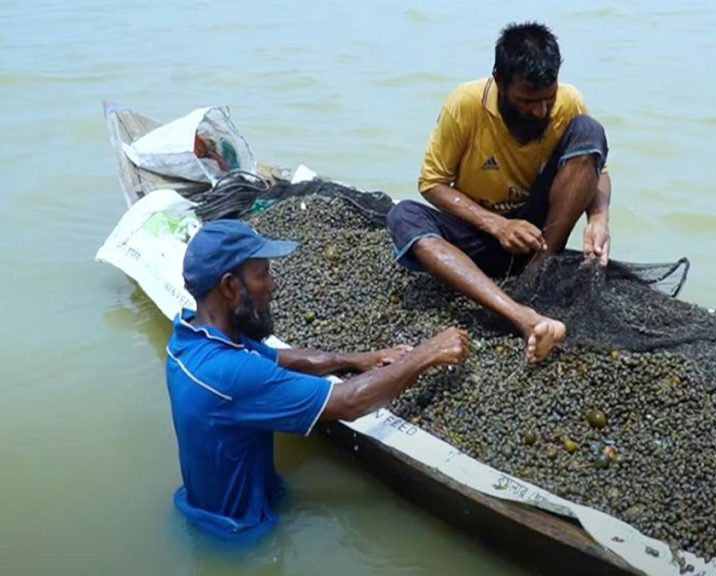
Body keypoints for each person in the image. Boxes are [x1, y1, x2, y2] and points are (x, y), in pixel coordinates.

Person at [166, 219, 469, 539]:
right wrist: (428, 353)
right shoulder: (229, 373)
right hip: (238, 533)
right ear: (229, 287)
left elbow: (282, 358)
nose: (273, 285)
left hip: (204, 505)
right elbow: (349, 403)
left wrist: (359, 359)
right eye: (263, 275)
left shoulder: (191, 335)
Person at [386, 21, 612, 364]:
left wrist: (598, 217)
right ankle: (523, 316)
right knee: (403, 215)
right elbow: (432, 183)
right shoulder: (465, 104)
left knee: (589, 130)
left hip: (539, 237)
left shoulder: (568, 103)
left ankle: (537, 273)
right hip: (476, 237)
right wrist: (497, 225)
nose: (540, 111)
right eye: (527, 101)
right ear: (500, 83)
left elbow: (597, 171)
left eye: (547, 99)